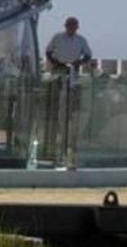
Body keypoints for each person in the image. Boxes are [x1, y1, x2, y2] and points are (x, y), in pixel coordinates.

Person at [43, 17, 92, 161]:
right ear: (66, 26)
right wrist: (56, 63)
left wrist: (78, 63)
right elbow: (48, 52)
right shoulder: (57, 37)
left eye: (74, 26)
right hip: (58, 70)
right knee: (55, 98)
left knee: (70, 100)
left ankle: (69, 122)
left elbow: (88, 55)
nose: (72, 28)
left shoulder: (80, 40)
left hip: (72, 72)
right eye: (70, 26)